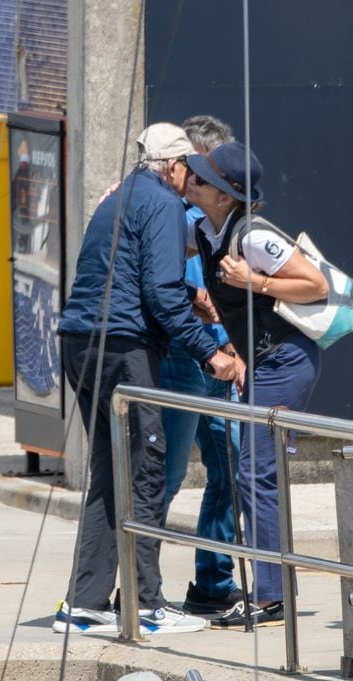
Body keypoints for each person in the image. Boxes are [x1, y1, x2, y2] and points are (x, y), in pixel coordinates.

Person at [53, 122, 241, 635]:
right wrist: (213, 354)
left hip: (80, 342)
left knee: (111, 475)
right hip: (122, 347)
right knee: (145, 470)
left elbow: (141, 279)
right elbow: (159, 295)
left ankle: (86, 603)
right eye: (188, 171)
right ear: (174, 166)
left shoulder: (118, 198)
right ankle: (147, 605)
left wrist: (189, 298)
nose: (190, 182)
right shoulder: (161, 204)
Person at [184, 141, 328, 629]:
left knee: (255, 473)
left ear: (226, 196)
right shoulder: (206, 229)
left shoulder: (251, 236)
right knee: (254, 472)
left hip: (285, 360)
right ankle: (271, 588)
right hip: (261, 361)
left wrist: (254, 282)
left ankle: (272, 597)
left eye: (202, 179)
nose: (191, 180)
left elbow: (315, 285)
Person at [157, 115, 243, 615]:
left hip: (218, 361)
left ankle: (212, 584)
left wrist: (230, 347)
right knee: (163, 479)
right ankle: (138, 587)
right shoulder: (172, 218)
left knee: (229, 469)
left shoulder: (221, 224)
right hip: (183, 362)